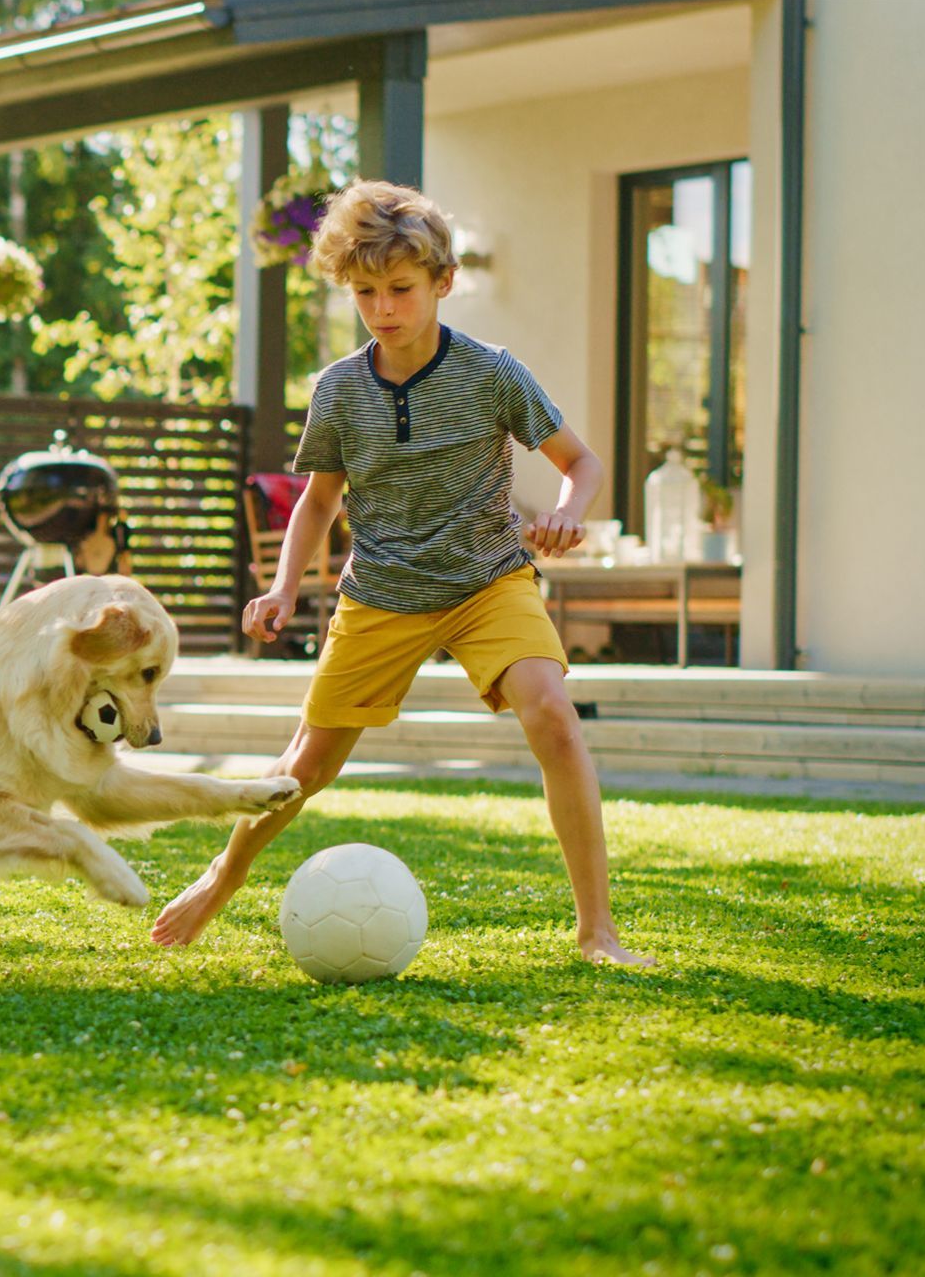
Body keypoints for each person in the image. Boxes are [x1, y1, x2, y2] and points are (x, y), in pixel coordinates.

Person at [150, 180, 654, 966]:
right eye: (365, 292)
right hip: (382, 592)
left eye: (401, 289)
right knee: (304, 768)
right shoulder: (341, 390)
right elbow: (318, 503)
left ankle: (599, 932)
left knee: (553, 713)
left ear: (442, 282)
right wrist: (284, 585)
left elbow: (580, 463)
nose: (384, 308)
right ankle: (221, 878)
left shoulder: (492, 373)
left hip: (489, 581)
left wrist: (567, 509)